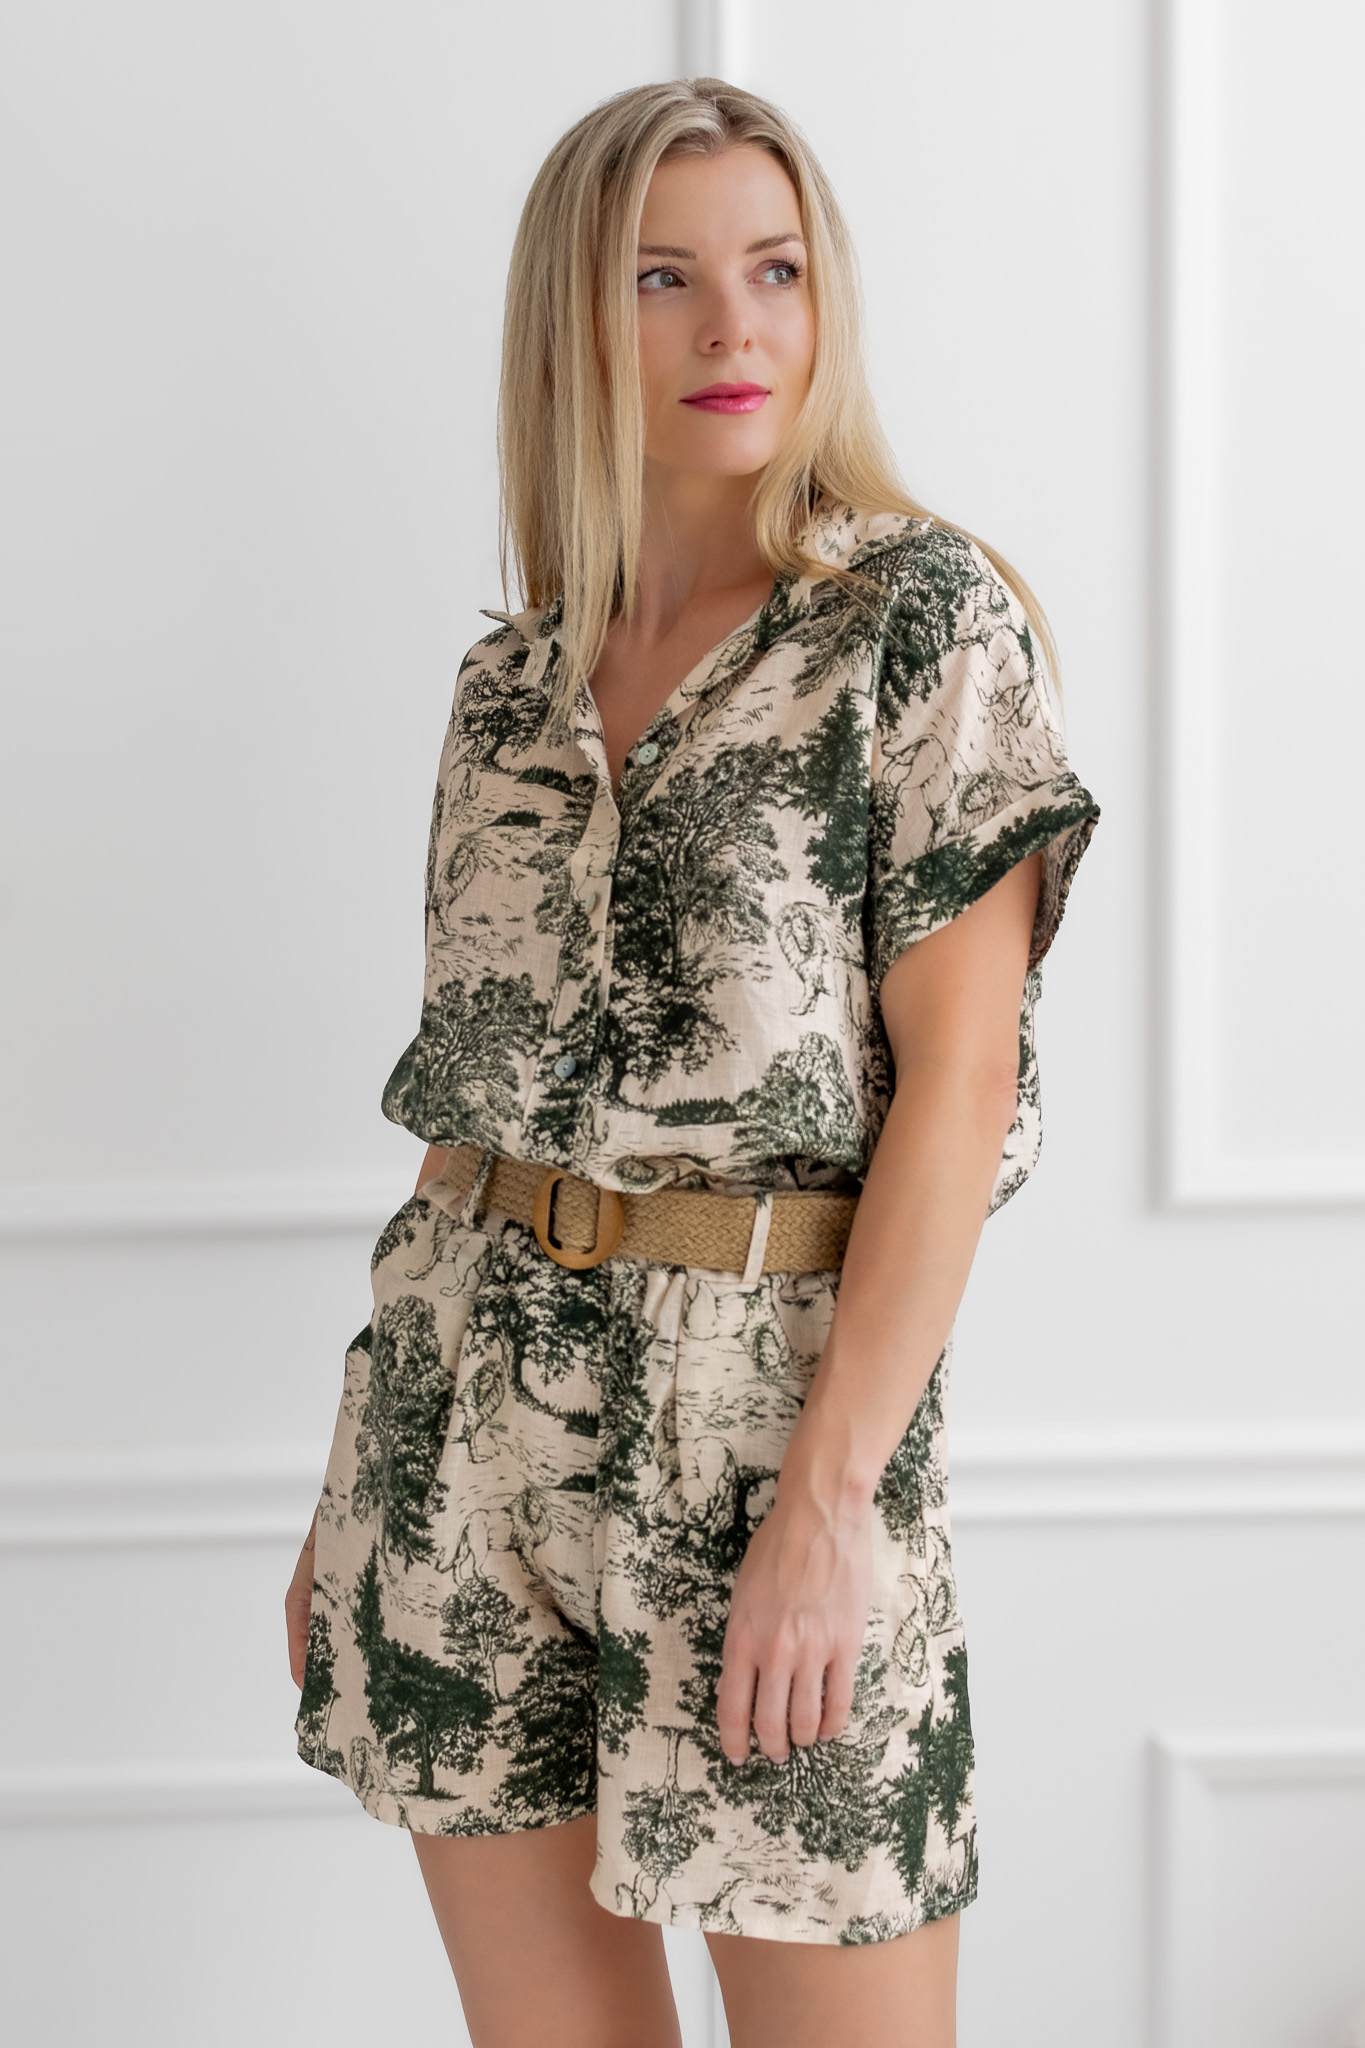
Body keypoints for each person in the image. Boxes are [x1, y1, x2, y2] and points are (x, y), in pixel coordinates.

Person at [285, 75, 1099, 2048]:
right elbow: (467, 1106)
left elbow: (958, 1090)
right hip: (456, 1431)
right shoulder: (509, 683)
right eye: (661, 278)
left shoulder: (915, 624)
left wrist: (830, 1504)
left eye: (773, 270)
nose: (733, 326)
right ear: (572, 319)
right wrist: (354, 1476)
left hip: (763, 1439)